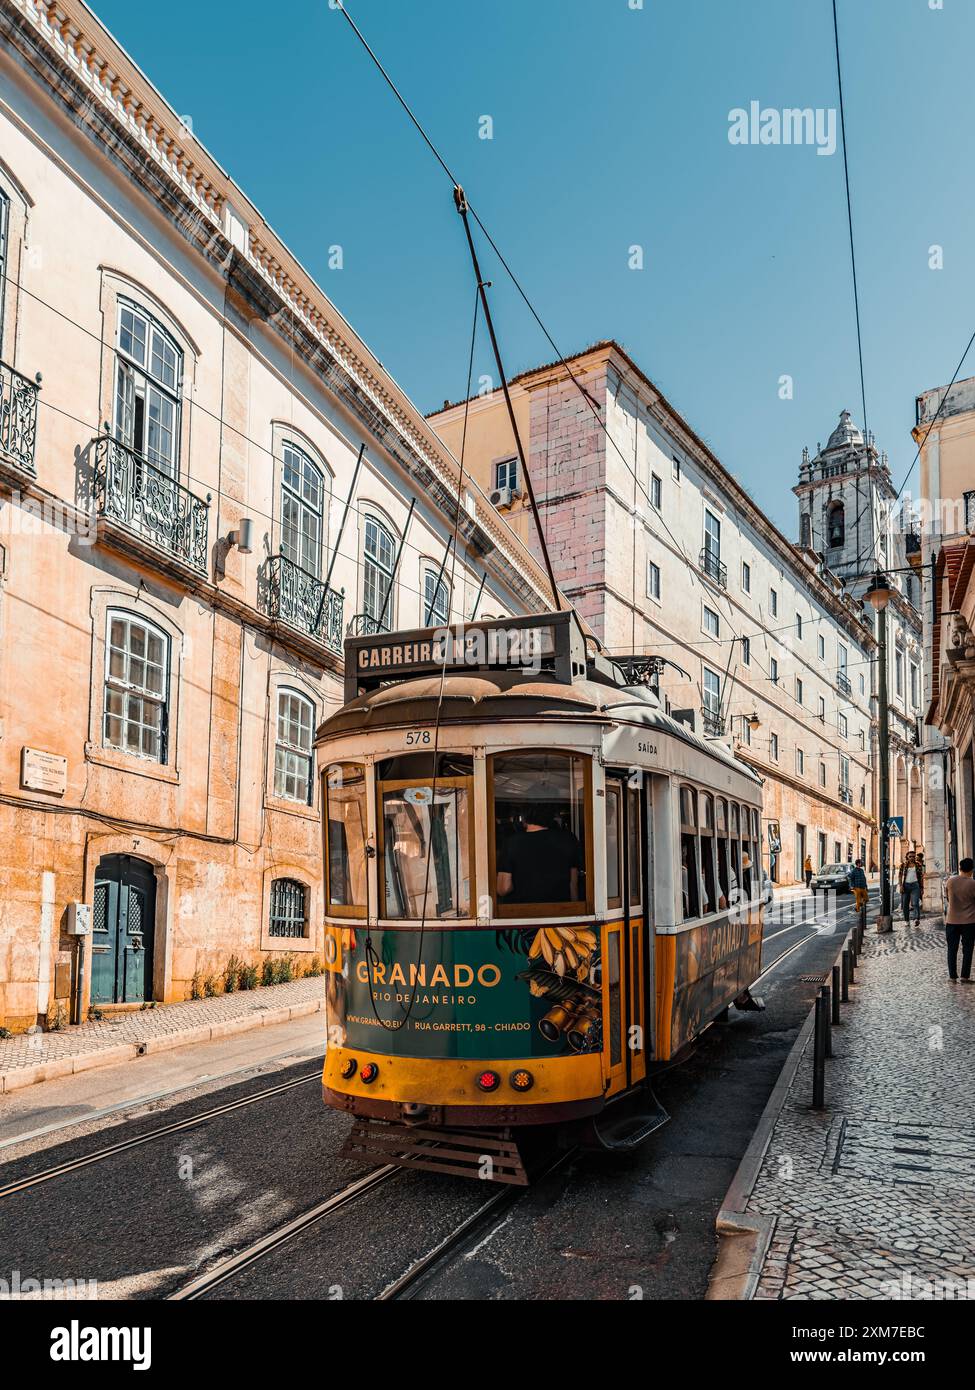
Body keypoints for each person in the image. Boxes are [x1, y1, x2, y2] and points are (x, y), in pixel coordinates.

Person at [496, 799, 583, 905]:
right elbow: (573, 885)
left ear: (524, 816)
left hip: (522, 912)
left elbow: (503, 888)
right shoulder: (568, 839)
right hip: (560, 910)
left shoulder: (512, 842)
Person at [945, 857, 975, 982]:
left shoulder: (950, 881)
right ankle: (964, 976)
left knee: (952, 949)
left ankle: (952, 976)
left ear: (960, 868)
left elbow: (947, 898)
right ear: (972, 869)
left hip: (951, 920)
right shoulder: (973, 883)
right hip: (969, 921)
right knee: (967, 949)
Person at [899, 851, 924, 925]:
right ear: (907, 857)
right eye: (910, 856)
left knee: (915, 903)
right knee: (905, 904)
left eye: (913, 856)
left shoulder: (918, 865)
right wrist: (901, 886)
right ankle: (907, 920)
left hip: (915, 885)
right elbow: (900, 876)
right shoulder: (903, 865)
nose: (912, 858)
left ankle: (917, 919)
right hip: (905, 886)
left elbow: (921, 877)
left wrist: (922, 888)